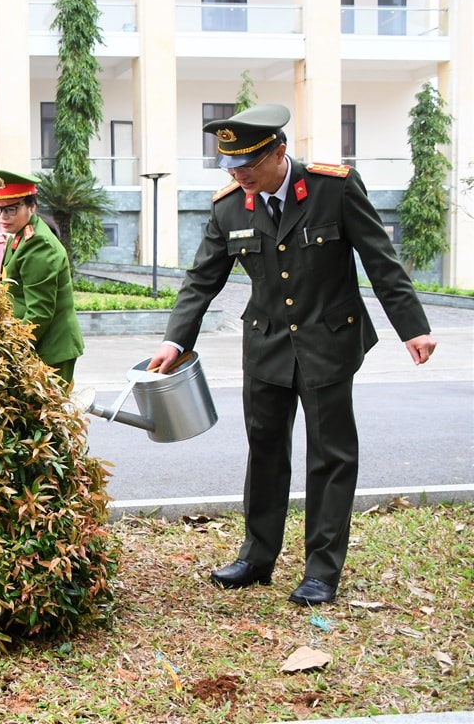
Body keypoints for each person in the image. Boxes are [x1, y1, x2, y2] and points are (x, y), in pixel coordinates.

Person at [147, 103, 436, 606]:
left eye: (249, 166)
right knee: (264, 450)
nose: (239, 174)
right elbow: (200, 281)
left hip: (328, 343)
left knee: (330, 456)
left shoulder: (334, 188)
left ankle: (321, 570)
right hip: (265, 346)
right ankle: (258, 557)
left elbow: (380, 260)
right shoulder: (230, 205)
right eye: (231, 167)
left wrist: (413, 327)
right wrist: (176, 340)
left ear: (279, 152)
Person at [0, 169, 84, 386]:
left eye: (11, 209)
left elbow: (39, 312)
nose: (3, 217)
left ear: (32, 206)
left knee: (46, 418)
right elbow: (9, 284)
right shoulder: (20, 235)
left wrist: (9, 352)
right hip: (34, 345)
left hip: (49, 350)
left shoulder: (39, 244)